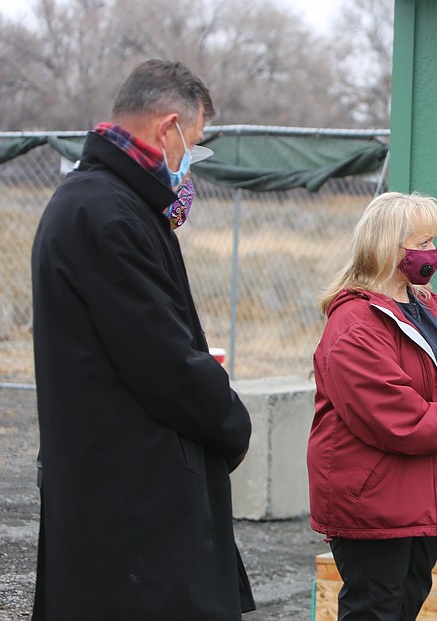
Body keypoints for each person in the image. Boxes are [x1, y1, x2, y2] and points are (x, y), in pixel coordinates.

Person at [30, 59, 255, 619]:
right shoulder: (108, 215)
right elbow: (165, 363)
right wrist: (230, 419)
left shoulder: (104, 203)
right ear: (167, 128)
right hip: (133, 505)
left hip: (121, 490)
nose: (188, 163)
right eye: (191, 145)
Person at [307, 191, 437, 621]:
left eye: (433, 240)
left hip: (419, 492)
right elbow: (392, 412)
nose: (432, 253)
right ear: (388, 248)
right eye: (422, 242)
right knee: (375, 608)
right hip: (372, 498)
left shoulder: (428, 307)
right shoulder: (353, 323)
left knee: (408, 599)